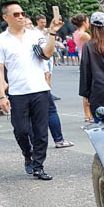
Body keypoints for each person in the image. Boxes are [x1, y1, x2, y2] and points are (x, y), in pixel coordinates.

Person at [0, 1, 63, 180]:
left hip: (40, 89)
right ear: (5, 18)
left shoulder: (35, 35)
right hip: (17, 92)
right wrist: (2, 95)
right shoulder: (0, 40)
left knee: (41, 131)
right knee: (21, 129)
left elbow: (46, 53)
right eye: (16, 14)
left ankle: (39, 166)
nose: (21, 17)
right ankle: (27, 154)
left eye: (23, 13)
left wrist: (52, 32)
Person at [33, 14, 72, 148]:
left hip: (41, 81)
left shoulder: (38, 37)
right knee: (42, 113)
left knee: (49, 111)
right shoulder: (34, 36)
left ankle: (58, 140)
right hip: (33, 84)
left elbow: (47, 53)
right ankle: (35, 145)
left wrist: (52, 31)